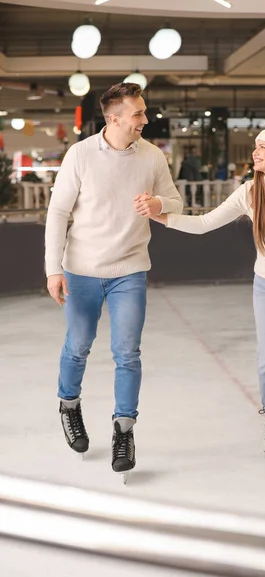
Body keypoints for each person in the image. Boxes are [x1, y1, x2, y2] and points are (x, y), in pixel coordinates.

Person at [135, 120, 265, 475]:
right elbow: (204, 223)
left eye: (261, 148)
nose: (255, 152)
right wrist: (161, 216)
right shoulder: (249, 192)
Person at [45, 82, 183, 478]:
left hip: (130, 270)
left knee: (128, 353)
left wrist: (158, 204)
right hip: (81, 270)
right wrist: (53, 267)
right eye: (138, 113)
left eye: (143, 112)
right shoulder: (81, 154)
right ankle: (68, 405)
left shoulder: (153, 156)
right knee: (78, 346)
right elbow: (58, 213)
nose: (145, 119)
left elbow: (174, 202)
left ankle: (124, 429)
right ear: (115, 118)